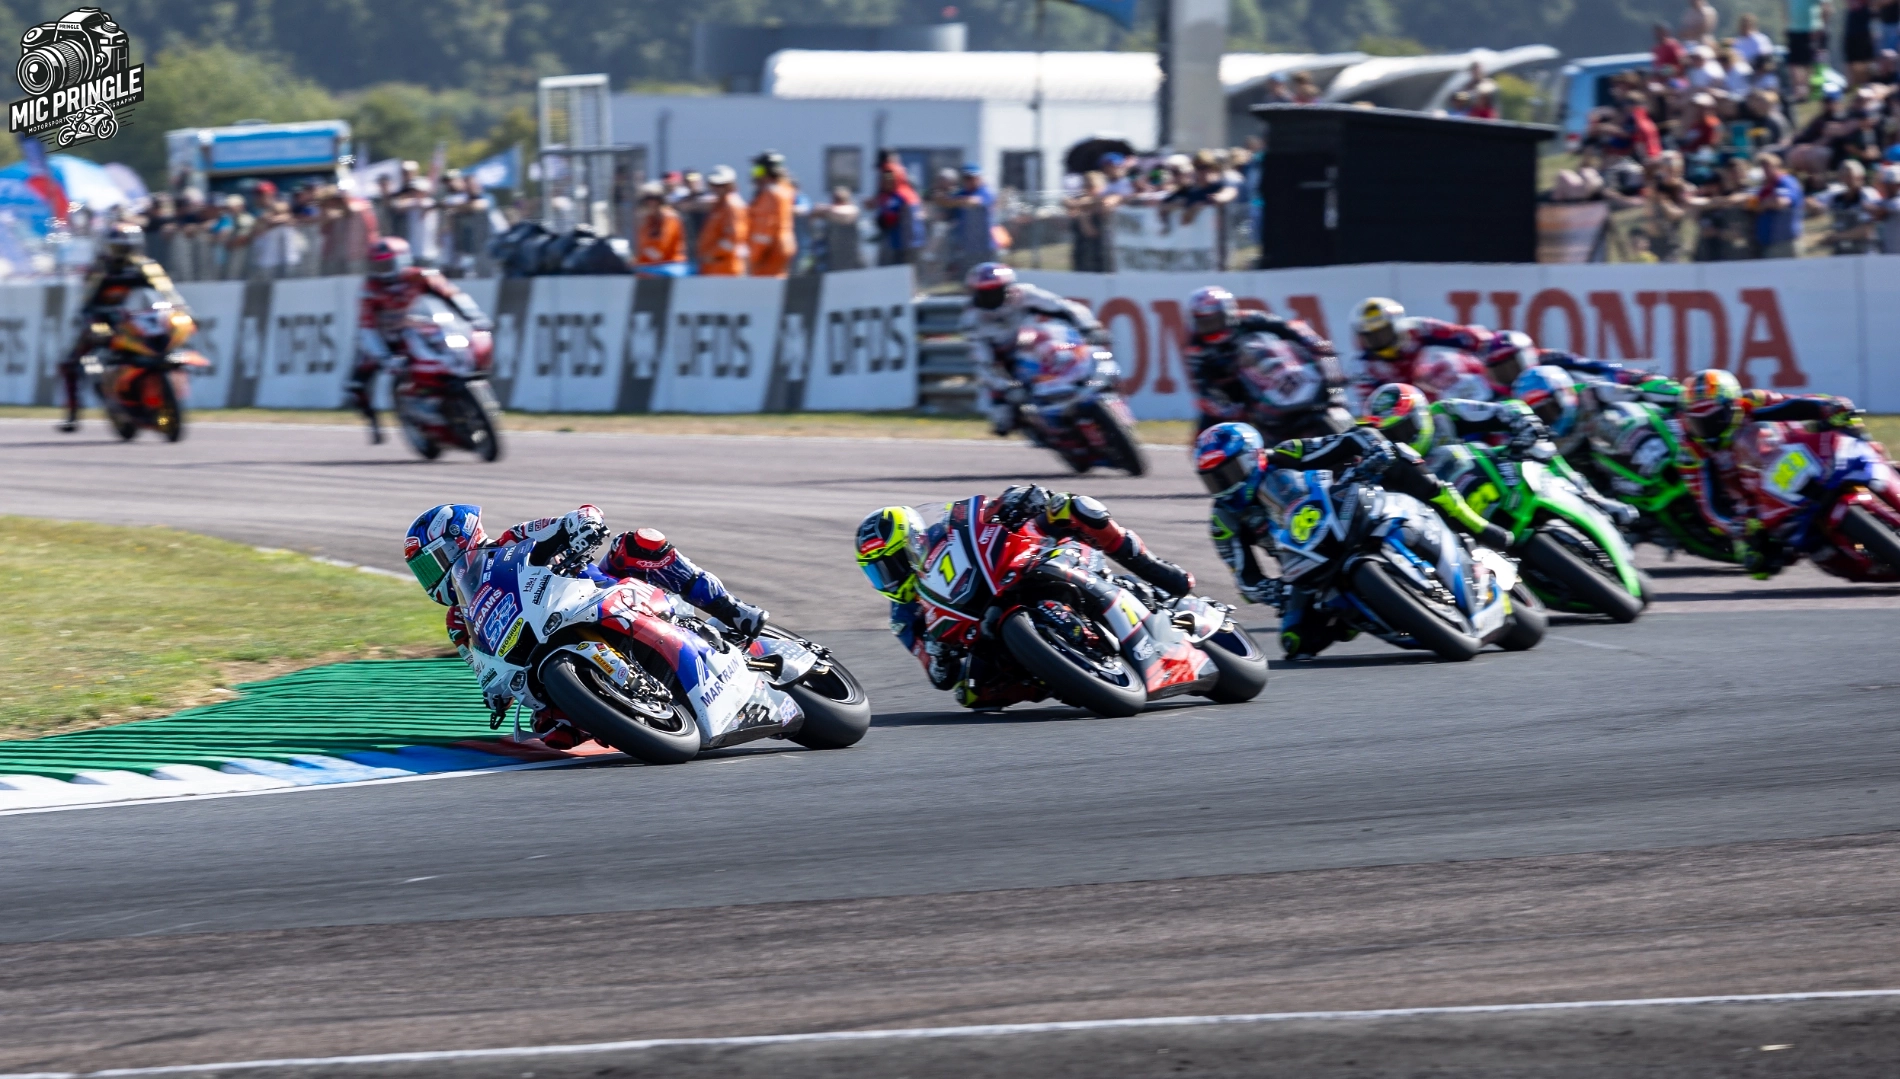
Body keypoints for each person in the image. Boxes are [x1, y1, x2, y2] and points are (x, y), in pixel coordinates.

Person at [404, 504, 767, 749]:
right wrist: (493, 691)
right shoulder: (457, 619)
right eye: (422, 572)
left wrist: (582, 527)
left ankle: (731, 609)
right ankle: (625, 711)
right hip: (537, 646)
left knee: (640, 542)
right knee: (550, 729)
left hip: (598, 592)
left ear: (459, 538)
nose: (430, 577)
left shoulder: (512, 541)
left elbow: (573, 519)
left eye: (430, 562)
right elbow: (476, 663)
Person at [1193, 423, 1512, 659]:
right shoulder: (1224, 519)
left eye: (1229, 471)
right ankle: (1371, 614)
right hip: (1307, 566)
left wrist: (1376, 451)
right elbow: (1245, 580)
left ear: (1253, 457)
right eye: (1214, 479)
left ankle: (1474, 524)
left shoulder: (1288, 454)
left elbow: (1353, 437)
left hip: (1351, 513)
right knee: (1296, 641)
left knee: (1401, 457)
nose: (1224, 485)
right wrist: (1274, 591)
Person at [854, 488, 1194, 709]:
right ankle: (1063, 675)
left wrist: (1018, 500)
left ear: (913, 543)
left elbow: (983, 513)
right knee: (970, 693)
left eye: (892, 564)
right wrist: (938, 654)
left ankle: (1152, 571)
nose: (890, 578)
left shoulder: (944, 531)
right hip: (985, 635)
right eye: (878, 573)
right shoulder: (903, 616)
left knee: (1073, 507)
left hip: (1028, 564)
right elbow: (939, 677)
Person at [1676, 369, 1867, 578]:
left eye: (1714, 418)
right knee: (1757, 563)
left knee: (1853, 431)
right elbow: (1708, 504)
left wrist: (1830, 407)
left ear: (1732, 405)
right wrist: (1738, 524)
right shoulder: (1690, 450)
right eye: (1699, 422)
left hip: (1793, 459)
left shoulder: (1752, 401)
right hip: (1757, 503)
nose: (1707, 428)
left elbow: (1796, 403)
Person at [345, 236, 491, 443]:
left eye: (386, 263)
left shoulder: (423, 274)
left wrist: (475, 316)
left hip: (416, 328)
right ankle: (374, 424)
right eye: (376, 265)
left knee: (456, 346)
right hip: (382, 339)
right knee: (355, 386)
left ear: (403, 260)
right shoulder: (369, 288)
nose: (381, 270)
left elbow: (453, 294)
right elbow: (367, 328)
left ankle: (447, 392)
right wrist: (385, 357)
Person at [1182, 285, 1351, 441]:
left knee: (1325, 356)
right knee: (1203, 439)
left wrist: (1314, 345)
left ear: (1228, 314)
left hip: (1273, 375)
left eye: (1213, 320)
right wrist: (1231, 410)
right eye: (1203, 322)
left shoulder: (1250, 319)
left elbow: (1290, 328)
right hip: (1234, 392)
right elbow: (1203, 390)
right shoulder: (1196, 348)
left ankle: (1335, 397)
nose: (1210, 327)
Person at [56, 223, 179, 432]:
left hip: (129, 318)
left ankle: (153, 389)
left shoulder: (146, 266)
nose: (124, 254)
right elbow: (86, 304)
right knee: (70, 364)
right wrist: (93, 324)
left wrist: (181, 309)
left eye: (129, 248)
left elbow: (167, 291)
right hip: (100, 318)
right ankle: (73, 414)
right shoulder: (99, 270)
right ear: (108, 248)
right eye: (119, 248)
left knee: (162, 344)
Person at [959, 261, 1104, 436]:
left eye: (995, 291)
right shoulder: (971, 320)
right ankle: (1037, 427)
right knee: (1002, 421)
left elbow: (1065, 307)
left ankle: (1082, 380)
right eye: (984, 293)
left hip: (1033, 346)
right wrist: (1007, 386)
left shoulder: (1024, 294)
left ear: (1008, 287)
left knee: (1065, 339)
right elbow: (982, 363)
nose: (990, 297)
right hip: (1005, 366)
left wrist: (1090, 327)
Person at [1349, 296, 1521, 405]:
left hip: (1438, 387)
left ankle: (1506, 395)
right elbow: (1368, 410)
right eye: (1371, 336)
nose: (1378, 341)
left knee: (1450, 362)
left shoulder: (1418, 329)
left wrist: (1499, 353)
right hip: (1408, 409)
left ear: (1397, 325)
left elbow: (1472, 337)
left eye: (1383, 333)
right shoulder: (1362, 368)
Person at [942, 163, 999, 279]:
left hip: (985, 245)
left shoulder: (985, 191)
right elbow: (942, 201)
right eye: (966, 178)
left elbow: (974, 201)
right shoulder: (962, 193)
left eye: (972, 178)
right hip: (967, 246)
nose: (969, 181)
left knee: (990, 277)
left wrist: (952, 201)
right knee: (970, 277)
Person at [1813, 158, 1882, 252]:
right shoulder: (1837, 194)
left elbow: (1867, 230)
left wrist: (1837, 237)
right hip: (1842, 251)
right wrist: (1818, 208)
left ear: (1860, 177)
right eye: (1843, 176)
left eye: (1850, 176)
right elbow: (1811, 200)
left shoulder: (1867, 194)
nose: (1846, 180)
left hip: (1865, 251)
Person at [747, 151, 797, 278]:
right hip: (783, 246)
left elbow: (763, 230)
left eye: (757, 171)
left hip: (769, 252)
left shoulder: (770, 194)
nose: (754, 175)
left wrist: (752, 256)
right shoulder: (786, 190)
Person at [1750, 151, 1807, 258]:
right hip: (1768, 244)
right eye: (1762, 167)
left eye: (1768, 166)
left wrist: (1763, 205)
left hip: (1784, 244)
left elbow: (1781, 202)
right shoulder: (1765, 187)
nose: (1765, 170)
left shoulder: (1786, 181)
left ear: (1777, 166)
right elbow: (1752, 205)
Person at [867, 160, 924, 266]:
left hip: (902, 243)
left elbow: (889, 219)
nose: (886, 181)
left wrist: (879, 221)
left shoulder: (898, 195)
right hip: (915, 241)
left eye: (889, 179)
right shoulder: (909, 193)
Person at [696, 165, 748, 276]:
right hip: (712, 267)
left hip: (726, 268)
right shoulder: (719, 204)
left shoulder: (733, 206)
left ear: (730, 185)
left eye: (721, 185)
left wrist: (713, 253)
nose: (717, 188)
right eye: (714, 185)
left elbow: (733, 239)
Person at [1787, 0, 1835, 103]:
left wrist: (1821, 26)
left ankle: (1813, 92)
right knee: (1795, 63)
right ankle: (1800, 93)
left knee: (1810, 63)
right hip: (1795, 31)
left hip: (1812, 30)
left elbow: (1826, 7)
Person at [633, 181, 686, 273]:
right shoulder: (648, 219)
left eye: (654, 199)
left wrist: (643, 259)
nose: (650, 203)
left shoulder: (669, 218)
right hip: (653, 267)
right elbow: (642, 246)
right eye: (647, 199)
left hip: (670, 267)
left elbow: (661, 250)